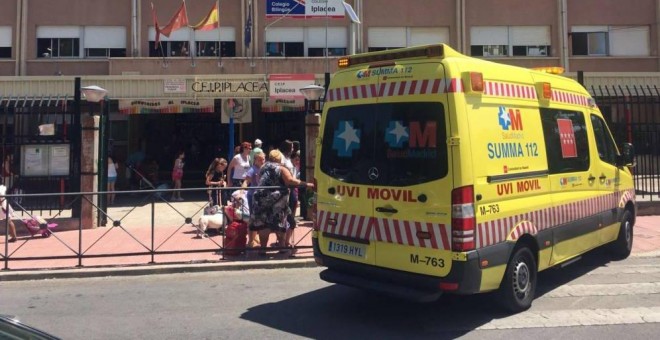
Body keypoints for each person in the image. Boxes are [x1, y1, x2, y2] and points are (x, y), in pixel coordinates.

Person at [249, 150, 313, 255]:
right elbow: (290, 181)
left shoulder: (263, 167)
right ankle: (282, 247)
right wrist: (306, 184)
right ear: (279, 158)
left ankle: (263, 249)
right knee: (279, 222)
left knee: (263, 224)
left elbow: (259, 180)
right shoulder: (281, 168)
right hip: (277, 200)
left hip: (260, 199)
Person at [242, 151, 265, 247]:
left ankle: (256, 237)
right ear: (255, 160)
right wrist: (241, 192)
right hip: (253, 196)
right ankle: (250, 241)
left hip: (261, 196)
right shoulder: (252, 170)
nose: (262, 161)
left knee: (260, 218)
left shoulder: (264, 169)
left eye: (263, 159)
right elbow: (246, 182)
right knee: (253, 217)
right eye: (260, 159)